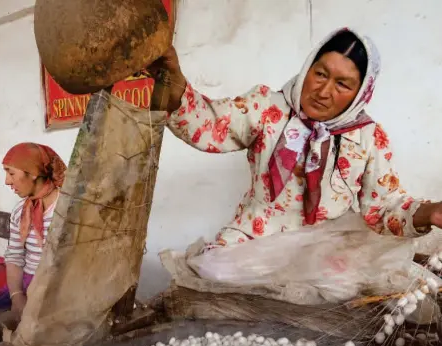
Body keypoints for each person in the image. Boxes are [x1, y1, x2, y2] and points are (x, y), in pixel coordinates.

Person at [149, 28, 442, 249]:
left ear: (360, 93)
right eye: (320, 74)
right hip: (252, 239)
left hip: (322, 252)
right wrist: (175, 84)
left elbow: (383, 207)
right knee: (212, 280)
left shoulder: (367, 138)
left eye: (342, 84)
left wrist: (430, 212)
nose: (323, 91)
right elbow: (213, 126)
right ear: (307, 69)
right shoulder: (267, 107)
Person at [0, 142, 66, 315]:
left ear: (34, 173)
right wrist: (17, 296)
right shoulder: (20, 212)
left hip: (62, 290)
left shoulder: (67, 210)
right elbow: (15, 256)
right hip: (29, 284)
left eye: (11, 173)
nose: (7, 181)